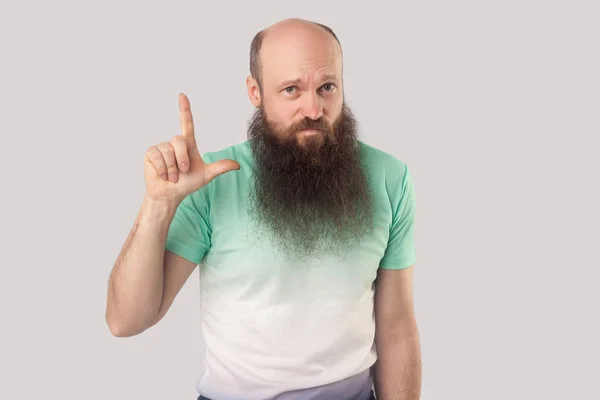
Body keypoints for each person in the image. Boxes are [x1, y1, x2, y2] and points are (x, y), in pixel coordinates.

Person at [105, 18, 421, 400]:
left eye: (327, 87)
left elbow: (397, 326)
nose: (314, 109)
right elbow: (126, 321)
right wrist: (157, 204)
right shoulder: (211, 181)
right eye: (291, 89)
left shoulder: (390, 177)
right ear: (255, 92)